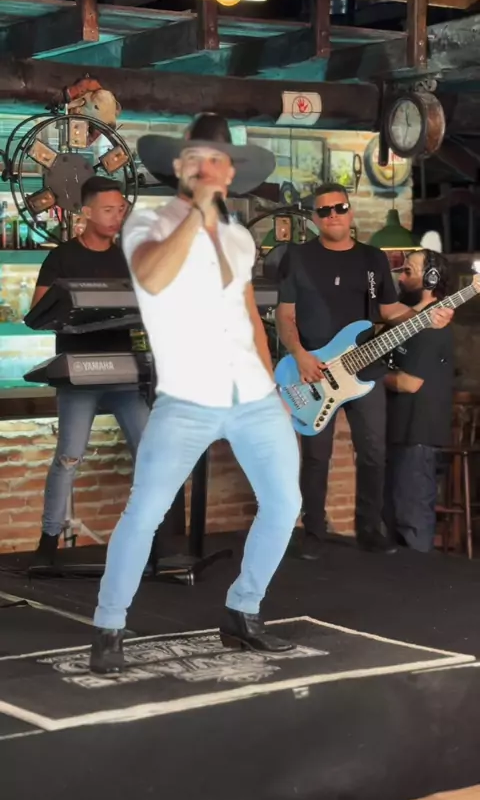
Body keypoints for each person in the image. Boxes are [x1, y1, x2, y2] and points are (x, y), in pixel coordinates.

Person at [90, 114, 302, 674]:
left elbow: (249, 317)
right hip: (187, 396)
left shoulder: (239, 237)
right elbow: (153, 278)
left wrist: (274, 387)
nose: (206, 169)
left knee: (285, 503)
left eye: (216, 161)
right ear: (179, 168)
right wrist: (197, 214)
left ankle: (243, 611)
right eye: (196, 160)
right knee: (146, 511)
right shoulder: (147, 223)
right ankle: (109, 625)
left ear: (230, 172)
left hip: (253, 395)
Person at [275, 184, 453, 559]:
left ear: (350, 211)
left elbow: (389, 311)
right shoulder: (298, 257)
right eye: (324, 211)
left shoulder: (372, 258)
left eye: (339, 207)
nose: (333, 215)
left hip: (366, 368)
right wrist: (300, 355)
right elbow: (285, 314)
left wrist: (425, 318)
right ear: (315, 218)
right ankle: (314, 531)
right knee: (316, 457)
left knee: (373, 452)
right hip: (314, 370)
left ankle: (369, 529)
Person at [30, 176, 150, 567]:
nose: (117, 217)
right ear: (86, 213)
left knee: (150, 452)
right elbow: (38, 312)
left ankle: (150, 537)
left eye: (121, 209)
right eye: (108, 210)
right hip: (78, 373)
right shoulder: (62, 257)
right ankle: (48, 541)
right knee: (68, 457)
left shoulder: (128, 257)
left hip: (124, 373)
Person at [384, 249, 454, 553]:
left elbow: (408, 382)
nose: (401, 278)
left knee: (411, 519)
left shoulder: (433, 326)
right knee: (394, 517)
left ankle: (417, 579)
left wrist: (368, 376)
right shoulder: (411, 320)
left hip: (417, 435)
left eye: (408, 271)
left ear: (431, 279)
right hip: (402, 431)